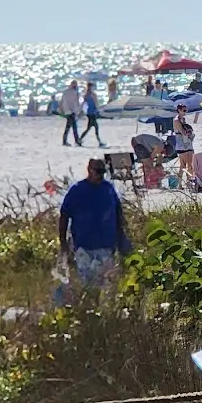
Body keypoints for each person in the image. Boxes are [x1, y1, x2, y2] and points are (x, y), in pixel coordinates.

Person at [58, 158, 130, 292]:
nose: (100, 176)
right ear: (89, 170)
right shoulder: (77, 190)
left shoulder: (108, 189)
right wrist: (63, 243)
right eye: (98, 172)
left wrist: (122, 238)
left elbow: (118, 213)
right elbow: (64, 216)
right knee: (88, 285)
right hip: (84, 247)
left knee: (106, 285)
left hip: (106, 247)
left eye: (103, 172)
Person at [172, 104, 196, 184]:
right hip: (183, 144)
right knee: (189, 165)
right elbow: (183, 132)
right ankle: (188, 182)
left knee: (183, 165)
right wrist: (189, 134)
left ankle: (180, 184)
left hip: (184, 143)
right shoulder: (177, 120)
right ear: (179, 110)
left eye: (186, 110)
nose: (185, 112)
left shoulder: (182, 119)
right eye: (184, 110)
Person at [77, 82, 105, 147]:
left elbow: (83, 103)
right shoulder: (91, 94)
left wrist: (80, 110)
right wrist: (98, 110)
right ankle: (99, 142)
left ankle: (80, 140)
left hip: (90, 112)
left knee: (91, 128)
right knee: (94, 127)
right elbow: (95, 103)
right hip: (92, 112)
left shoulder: (87, 94)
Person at [59, 80, 82, 146]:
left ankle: (65, 140)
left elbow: (62, 101)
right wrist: (77, 111)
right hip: (72, 111)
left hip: (67, 111)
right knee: (73, 127)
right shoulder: (75, 93)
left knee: (69, 126)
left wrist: (62, 110)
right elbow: (75, 103)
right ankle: (76, 141)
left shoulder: (65, 92)